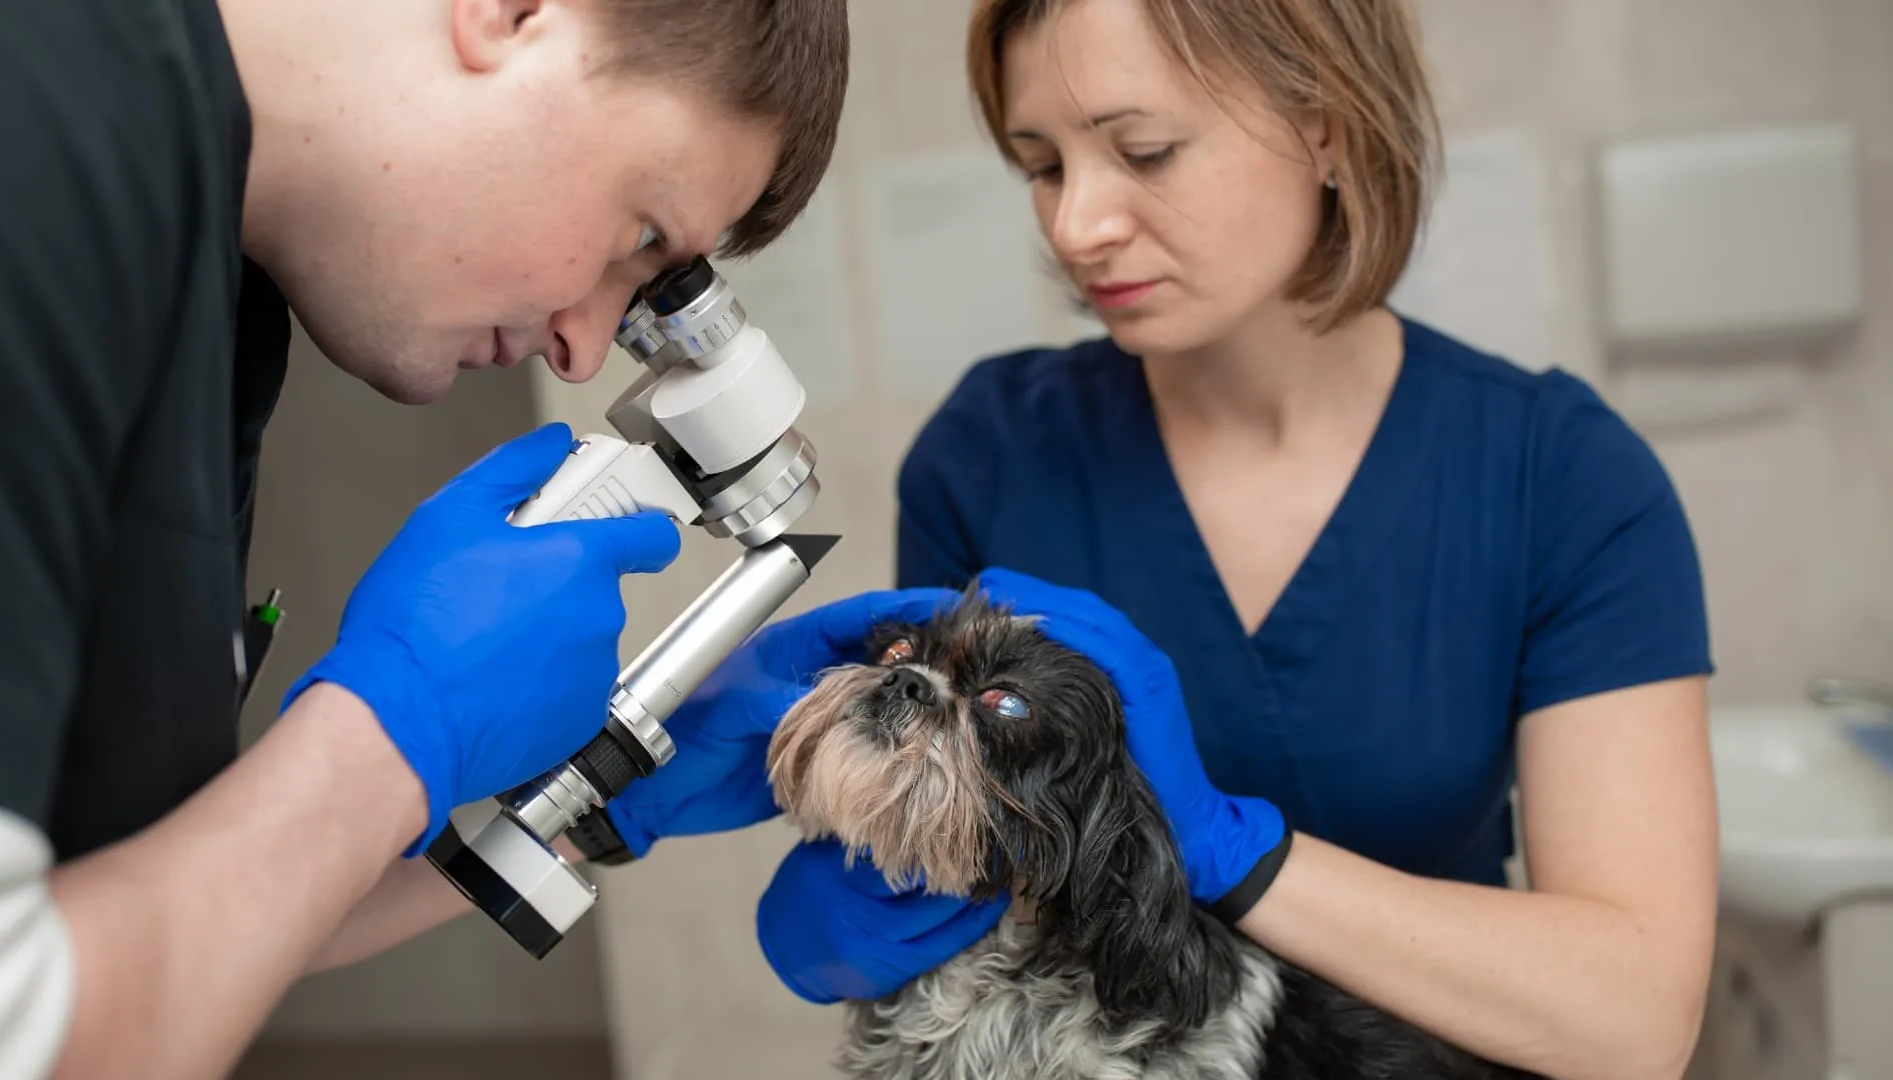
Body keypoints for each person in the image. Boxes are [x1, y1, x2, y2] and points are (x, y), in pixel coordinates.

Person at [623, 1, 1720, 1078]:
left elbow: (1632, 1024)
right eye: (1043, 166)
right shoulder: (993, 451)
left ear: (1328, 128)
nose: (1075, 225)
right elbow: (969, 867)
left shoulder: (1562, 477)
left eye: (1143, 151)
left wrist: (1239, 859)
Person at [0, 2, 952, 1078]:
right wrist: (392, 729)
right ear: (511, 14)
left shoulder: (210, 299)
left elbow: (118, 918)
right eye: (641, 236)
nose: (587, 348)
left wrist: (593, 798)